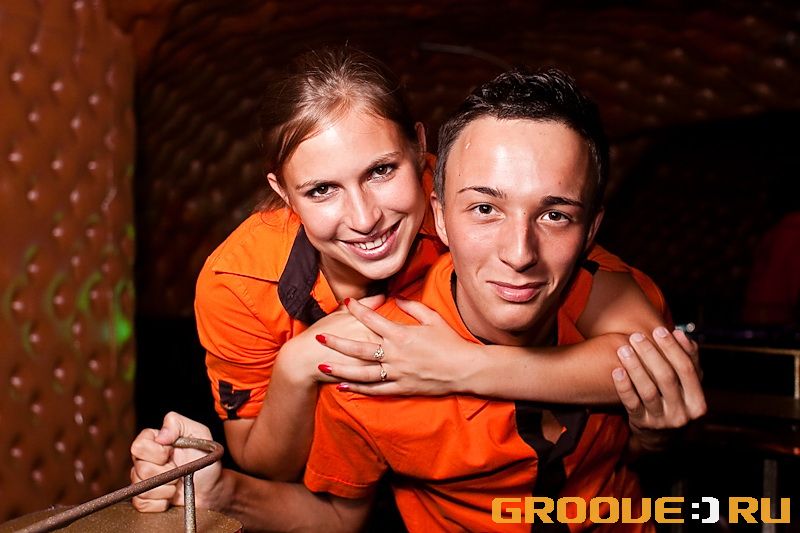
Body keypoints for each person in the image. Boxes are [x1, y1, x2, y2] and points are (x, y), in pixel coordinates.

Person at [130, 49, 703, 529]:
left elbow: (632, 337)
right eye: (322, 189)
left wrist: (458, 367)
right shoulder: (241, 284)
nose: (365, 218)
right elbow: (278, 472)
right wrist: (299, 364)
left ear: (420, 161)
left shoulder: (486, 198)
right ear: (284, 194)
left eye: (382, 171)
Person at [299, 68, 706, 531]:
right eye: (485, 209)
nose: (519, 254)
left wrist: (654, 438)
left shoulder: (619, 299)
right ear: (441, 217)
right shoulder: (373, 370)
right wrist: (233, 491)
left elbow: (643, 454)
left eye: (555, 215)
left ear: (591, 230)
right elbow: (335, 515)